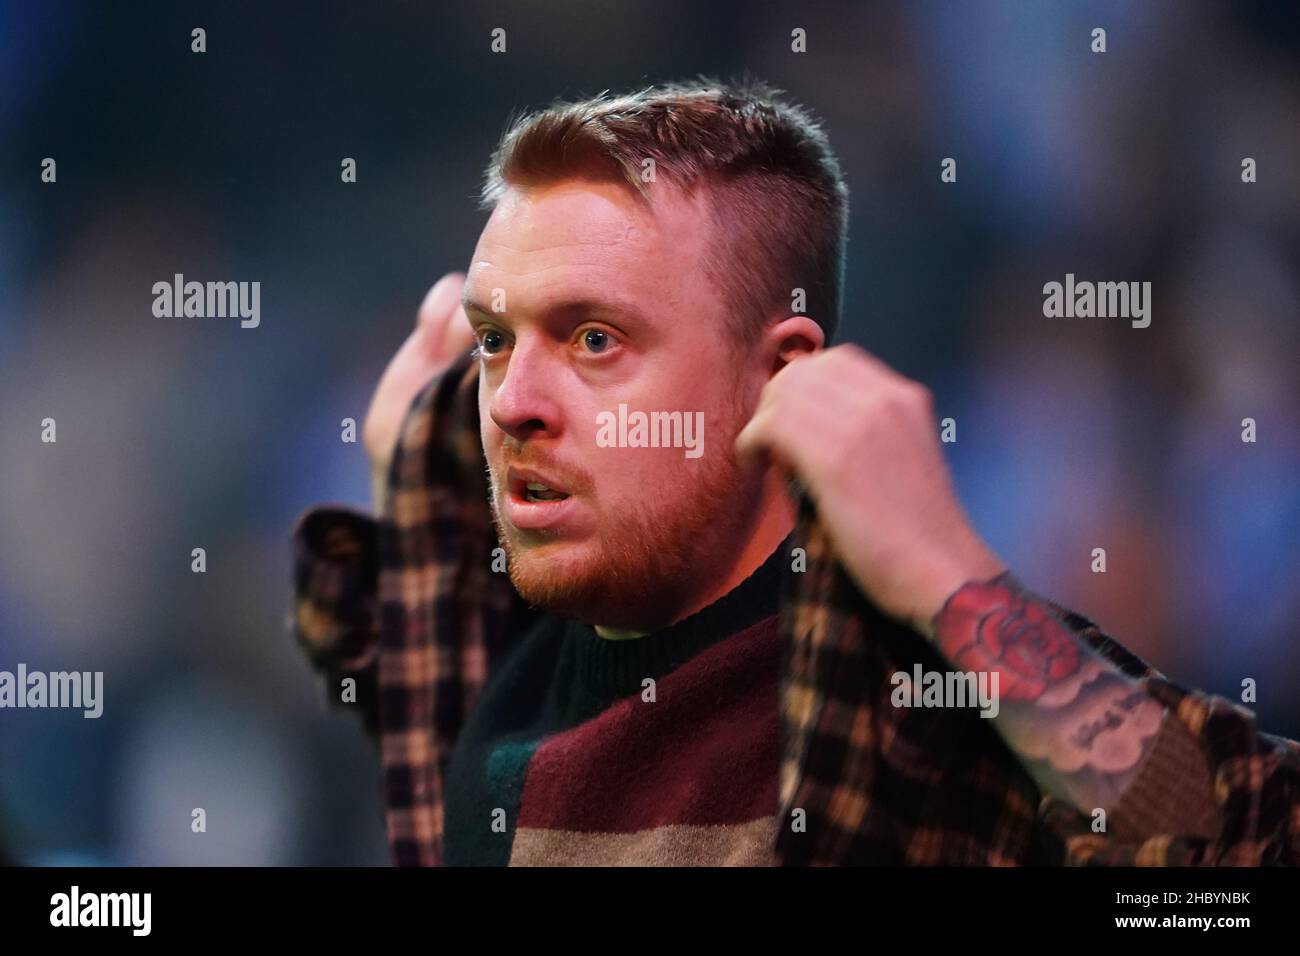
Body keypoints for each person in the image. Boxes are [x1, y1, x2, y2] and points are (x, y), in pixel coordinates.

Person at [291, 79, 1299, 866]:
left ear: (778, 377)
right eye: (496, 339)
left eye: (594, 337)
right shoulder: (501, 678)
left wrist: (950, 579)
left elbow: (1241, 846)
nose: (511, 399)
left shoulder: (903, 716)